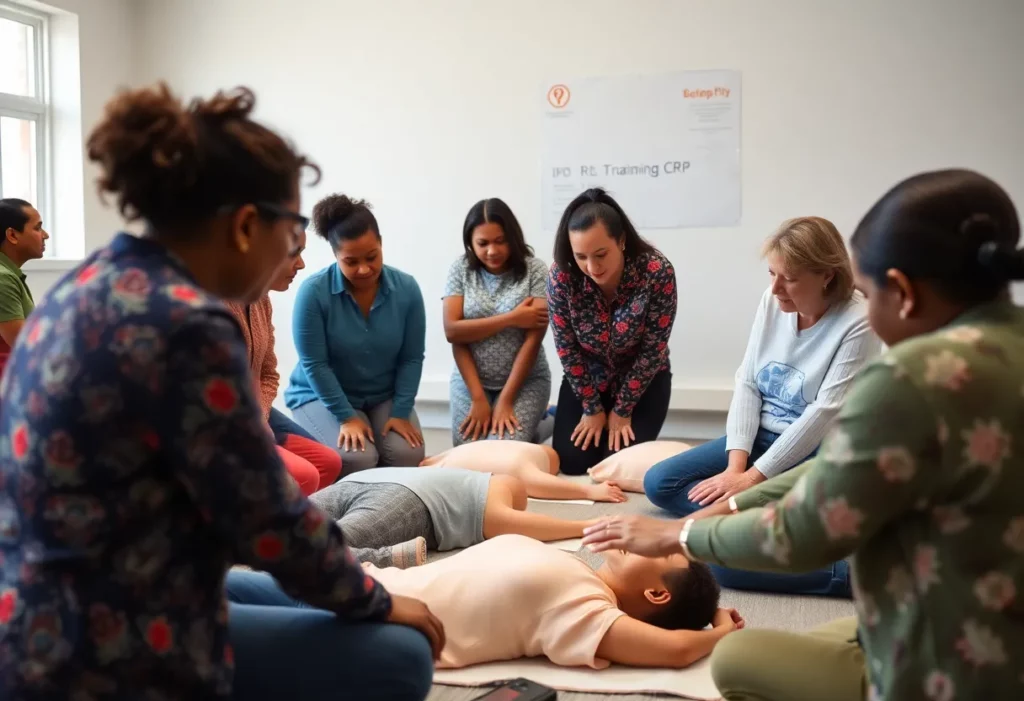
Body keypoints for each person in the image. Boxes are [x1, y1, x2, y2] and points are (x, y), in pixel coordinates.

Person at [0, 83, 440, 701]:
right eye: (289, 230)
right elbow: (267, 518)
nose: (293, 252)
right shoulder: (184, 325)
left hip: (43, 607)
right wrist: (372, 599)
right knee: (400, 653)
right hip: (97, 646)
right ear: (243, 226)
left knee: (280, 593)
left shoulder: (88, 284)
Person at [582, 168, 1024, 701]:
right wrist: (729, 495)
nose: (775, 289)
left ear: (901, 292)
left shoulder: (912, 378)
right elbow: (831, 463)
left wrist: (682, 537)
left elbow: (803, 529)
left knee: (738, 657)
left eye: (868, 288)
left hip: (959, 667)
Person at [645, 217, 881, 517]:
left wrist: (752, 479)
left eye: (790, 278)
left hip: (819, 446)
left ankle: (760, 523)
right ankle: (763, 522)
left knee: (827, 505)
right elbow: (748, 381)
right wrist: (736, 470)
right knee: (659, 483)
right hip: (763, 434)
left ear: (827, 276)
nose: (776, 288)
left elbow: (823, 413)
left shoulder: (859, 320)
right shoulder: (771, 300)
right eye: (772, 273)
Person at [228, 534, 743, 671]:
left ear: (656, 593)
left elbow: (675, 651)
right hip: (363, 585)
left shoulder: (588, 612)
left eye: (662, 553)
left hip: (363, 630)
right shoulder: (576, 568)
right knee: (219, 585)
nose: (648, 540)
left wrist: (718, 629)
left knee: (206, 620)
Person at [285, 195, 426, 472]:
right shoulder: (313, 293)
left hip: (382, 395)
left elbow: (411, 358)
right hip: (319, 395)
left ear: (381, 243)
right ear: (335, 255)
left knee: (407, 454)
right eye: (351, 261)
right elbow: (315, 364)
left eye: (372, 257)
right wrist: (346, 416)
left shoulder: (407, 289)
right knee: (357, 458)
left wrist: (400, 411)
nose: (364, 269)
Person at [547, 188, 677, 475]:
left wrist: (622, 410)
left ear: (621, 241)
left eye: (601, 254)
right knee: (572, 463)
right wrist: (592, 408)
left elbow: (653, 348)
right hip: (586, 378)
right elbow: (566, 348)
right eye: (581, 256)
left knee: (617, 464)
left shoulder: (656, 271)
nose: (592, 267)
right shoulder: (561, 276)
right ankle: (554, 417)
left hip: (643, 380)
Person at [226, 229, 342, 495]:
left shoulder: (261, 300)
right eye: (294, 254)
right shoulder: (215, 304)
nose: (301, 264)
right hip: (231, 419)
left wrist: (262, 413)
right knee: (306, 476)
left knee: (330, 463)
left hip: (257, 410)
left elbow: (268, 373)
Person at [310, 467, 607, 568]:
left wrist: (588, 494)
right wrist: (583, 525)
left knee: (277, 532)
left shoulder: (455, 471)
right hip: (402, 498)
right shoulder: (493, 485)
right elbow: (509, 521)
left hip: (354, 482)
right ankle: (384, 558)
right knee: (314, 551)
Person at [444, 198, 552, 444]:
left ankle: (543, 424)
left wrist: (505, 400)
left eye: (500, 241)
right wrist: (512, 318)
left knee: (501, 451)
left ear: (513, 237)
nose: (492, 251)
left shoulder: (535, 270)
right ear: (470, 243)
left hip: (524, 383)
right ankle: (533, 428)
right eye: (483, 243)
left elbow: (533, 341)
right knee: (466, 452)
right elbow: (453, 333)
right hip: (471, 383)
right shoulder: (460, 270)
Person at [420, 441, 627, 502]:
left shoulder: (518, 468)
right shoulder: (441, 459)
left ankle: (548, 418)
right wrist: (590, 491)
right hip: (523, 449)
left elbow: (541, 485)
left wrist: (591, 492)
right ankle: (548, 417)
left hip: (524, 452)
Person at [0, 198, 47, 379]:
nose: (45, 235)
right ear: (12, 235)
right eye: (37, 228)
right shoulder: (3, 278)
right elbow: (27, 345)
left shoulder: (9, 274)